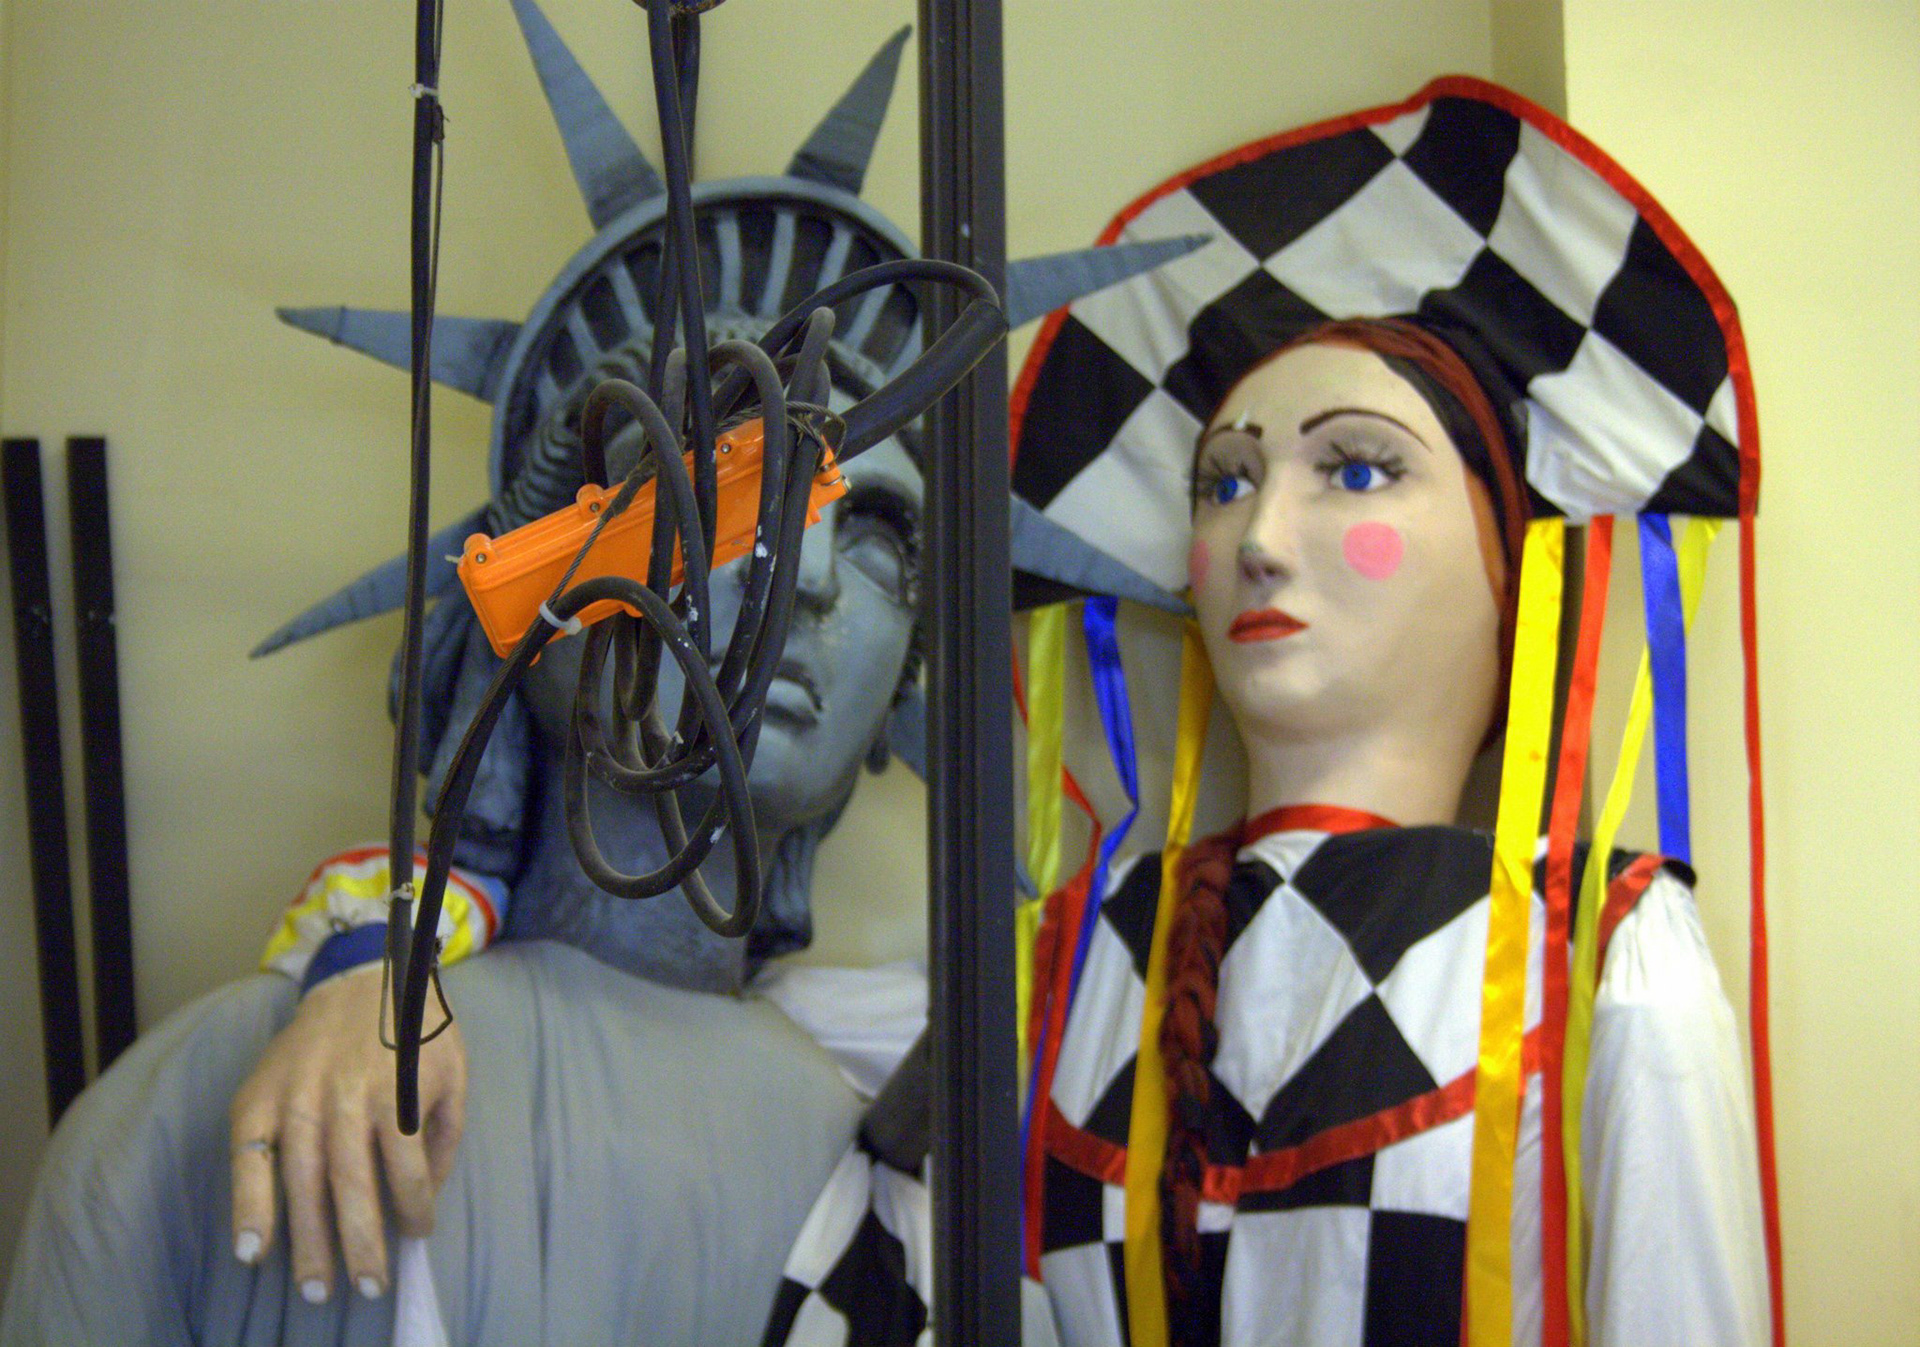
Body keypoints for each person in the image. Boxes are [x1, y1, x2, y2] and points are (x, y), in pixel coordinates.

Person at [1002, 78, 1778, 1347]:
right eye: (1224, 482)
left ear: (1507, 566)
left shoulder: (1604, 954)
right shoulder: (1065, 962)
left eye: (1357, 469)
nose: (1260, 538)